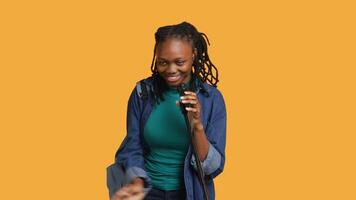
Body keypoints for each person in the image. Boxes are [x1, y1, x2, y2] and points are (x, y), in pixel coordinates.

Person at [112, 21, 227, 200]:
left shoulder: (211, 99)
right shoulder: (143, 93)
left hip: (189, 194)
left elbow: (212, 168)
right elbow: (132, 146)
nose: (171, 70)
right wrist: (136, 182)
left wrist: (197, 126)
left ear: (194, 54)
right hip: (148, 191)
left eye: (179, 62)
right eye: (163, 62)